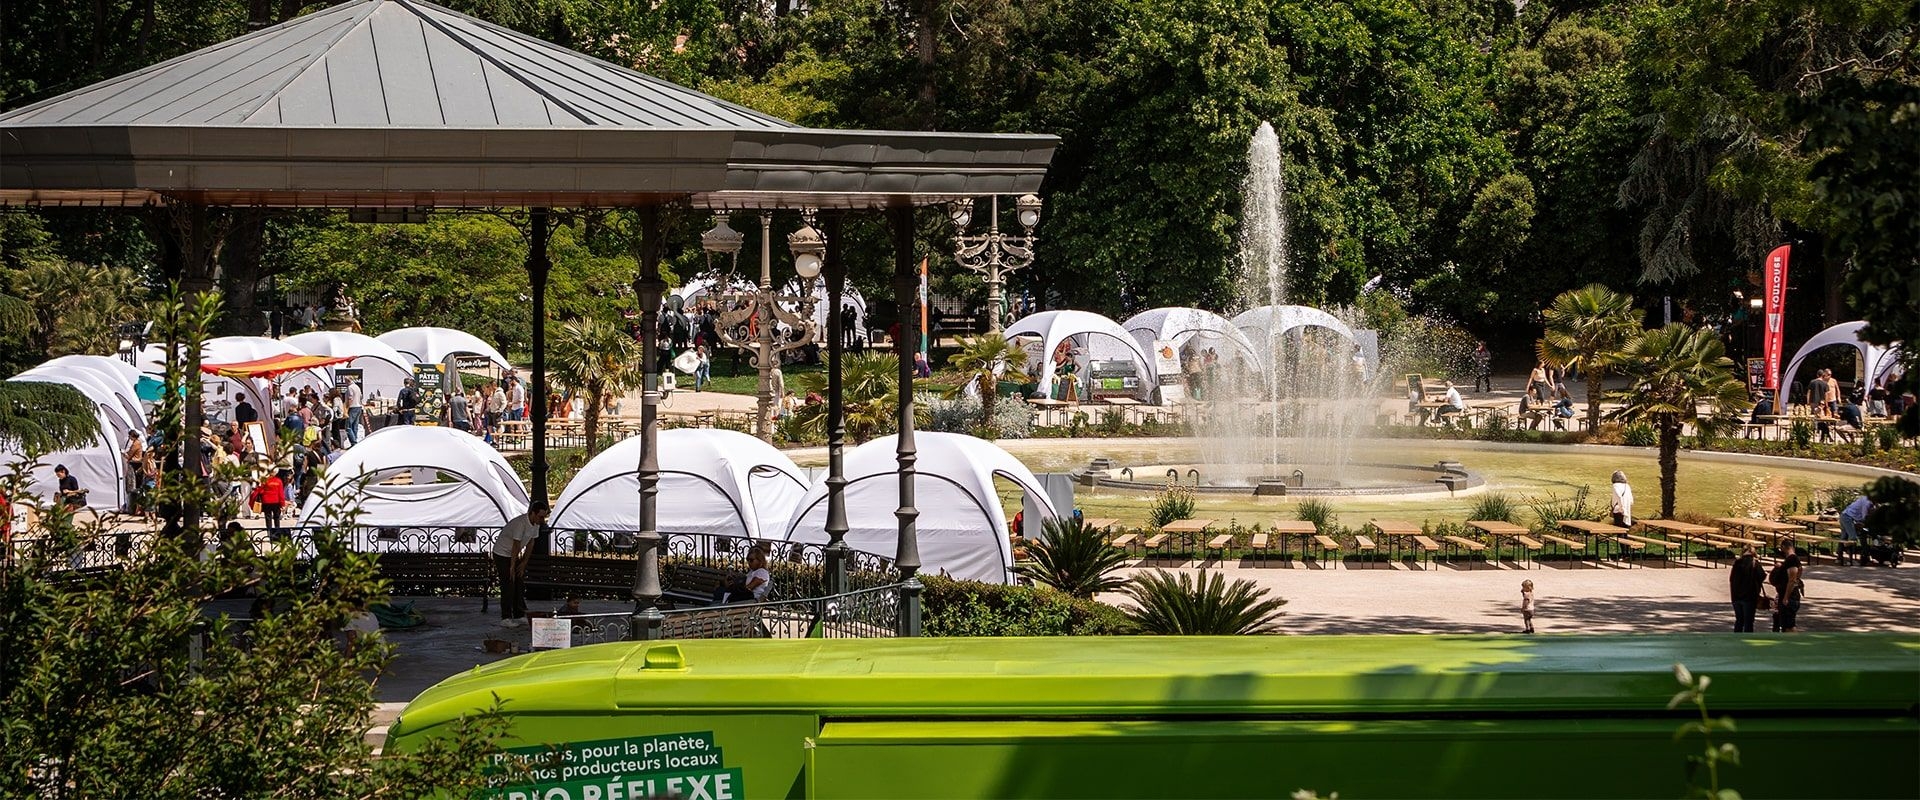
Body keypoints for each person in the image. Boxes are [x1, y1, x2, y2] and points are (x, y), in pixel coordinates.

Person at [493, 502, 548, 625]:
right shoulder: (520, 523)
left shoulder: (536, 524)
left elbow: (531, 543)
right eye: (540, 516)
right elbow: (515, 545)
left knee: (519, 583)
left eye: (544, 517)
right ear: (532, 513)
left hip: (514, 554)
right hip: (502, 554)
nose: (542, 520)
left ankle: (519, 613)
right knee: (508, 583)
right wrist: (512, 566)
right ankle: (506, 617)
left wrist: (523, 563)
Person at [1729, 546, 1766, 632]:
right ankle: (1747, 640)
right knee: (1748, 622)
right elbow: (1761, 576)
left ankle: (1737, 640)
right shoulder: (1754, 563)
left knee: (1739, 620)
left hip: (1736, 596)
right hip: (1750, 596)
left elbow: (1731, 579)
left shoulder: (1737, 563)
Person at [1769, 545, 1804, 632]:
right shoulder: (1792, 560)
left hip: (1789, 597)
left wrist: (1786, 597)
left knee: (1789, 626)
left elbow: (1791, 580)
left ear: (1785, 547)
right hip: (1786, 595)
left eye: (1782, 549)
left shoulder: (1792, 559)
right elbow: (1800, 569)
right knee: (1785, 625)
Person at [251, 469, 287, 541]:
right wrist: (282, 503)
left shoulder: (265, 480)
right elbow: (281, 493)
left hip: (266, 501)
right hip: (276, 501)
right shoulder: (278, 481)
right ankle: (277, 533)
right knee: (277, 518)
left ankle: (269, 533)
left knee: (268, 518)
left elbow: (261, 491)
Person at [1839, 495, 1873, 565]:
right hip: (1847, 518)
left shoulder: (1866, 498)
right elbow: (1864, 517)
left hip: (1844, 515)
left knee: (1844, 537)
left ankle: (1839, 558)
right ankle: (1850, 561)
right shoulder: (1867, 503)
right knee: (1852, 538)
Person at [344, 375, 365, 445]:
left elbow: (350, 398)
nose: (344, 382)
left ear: (348, 380)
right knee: (355, 426)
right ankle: (355, 440)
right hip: (358, 406)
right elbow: (361, 396)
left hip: (353, 407)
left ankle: (353, 442)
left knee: (348, 426)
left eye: (345, 381)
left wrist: (347, 407)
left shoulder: (350, 388)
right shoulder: (357, 387)